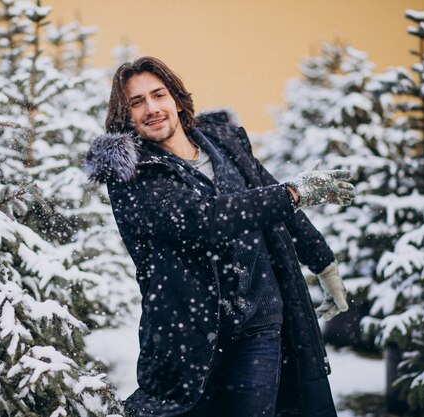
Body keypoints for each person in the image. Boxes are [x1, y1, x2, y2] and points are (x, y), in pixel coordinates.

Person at [85, 56, 354, 417]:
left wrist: (323, 262)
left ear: (177, 100)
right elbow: (203, 221)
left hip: (259, 322)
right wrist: (291, 193)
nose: (151, 108)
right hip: (189, 337)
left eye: (158, 95)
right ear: (126, 116)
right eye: (137, 102)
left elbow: (268, 195)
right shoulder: (133, 177)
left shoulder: (223, 144)